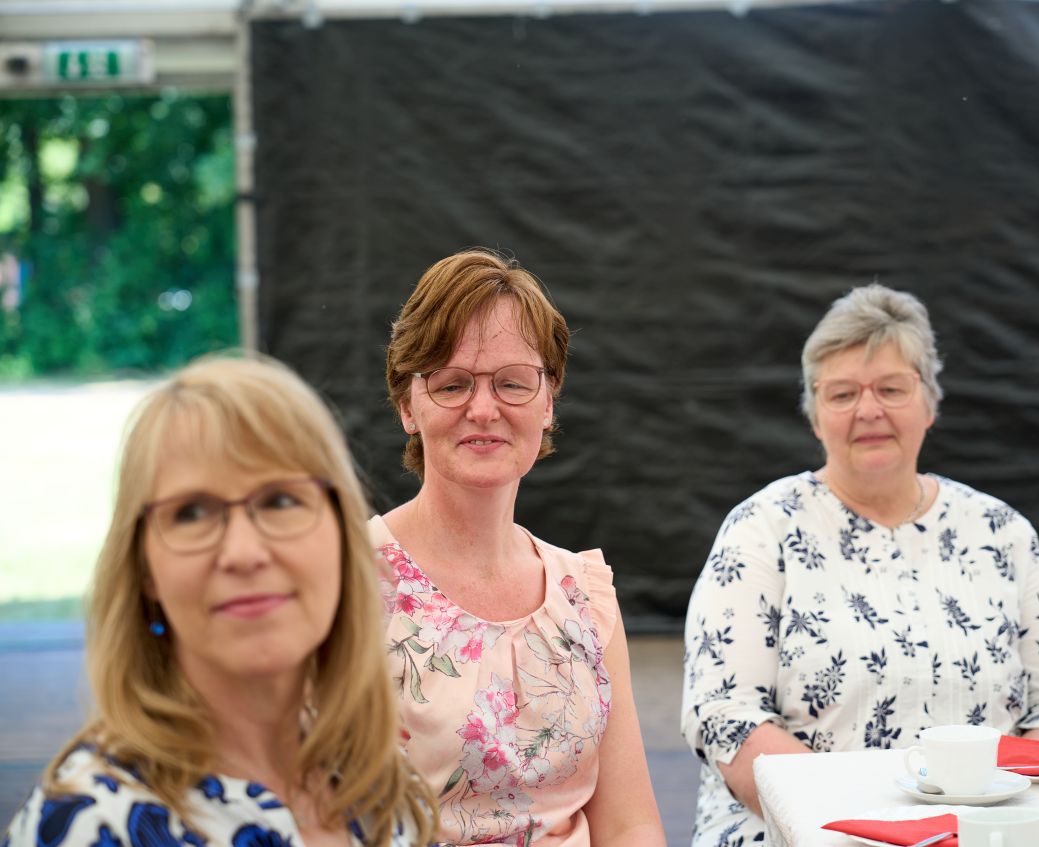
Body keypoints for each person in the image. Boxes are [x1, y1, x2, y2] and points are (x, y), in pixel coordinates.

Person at [680, 284, 1039, 846]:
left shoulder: (1001, 531)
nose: (869, 410)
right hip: (808, 831)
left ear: (929, 403)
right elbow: (725, 714)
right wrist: (864, 827)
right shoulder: (761, 529)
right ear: (815, 417)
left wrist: (1005, 816)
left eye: (891, 388)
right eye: (842, 394)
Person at [3, 355, 437, 847]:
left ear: (343, 536)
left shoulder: (384, 785)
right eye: (191, 513)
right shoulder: (89, 821)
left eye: (280, 501)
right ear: (144, 570)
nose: (244, 553)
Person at [377, 248, 665, 846]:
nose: (483, 409)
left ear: (548, 402)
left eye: (512, 383)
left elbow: (630, 823)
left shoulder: (584, 595)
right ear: (408, 406)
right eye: (452, 384)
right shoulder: (347, 582)